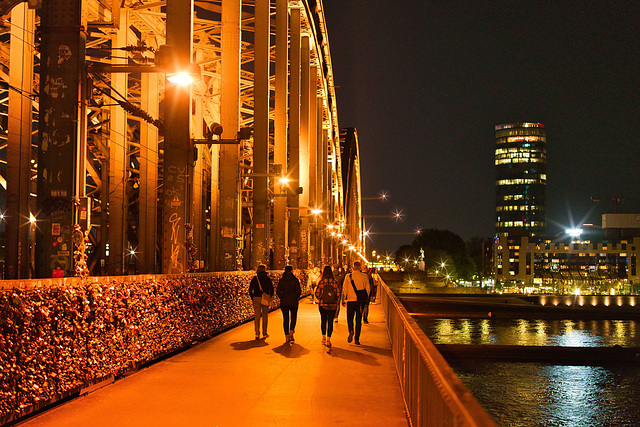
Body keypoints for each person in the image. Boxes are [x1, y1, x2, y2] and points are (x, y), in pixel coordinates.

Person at [341, 261, 370, 345]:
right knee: (358, 320)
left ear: (353, 267)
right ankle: (357, 339)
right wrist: (365, 299)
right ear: (360, 267)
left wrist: (343, 299)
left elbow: (344, 289)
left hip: (350, 301)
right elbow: (368, 289)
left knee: (349, 318)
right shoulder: (364, 276)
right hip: (359, 302)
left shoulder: (348, 276)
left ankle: (351, 330)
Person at [315, 265, 341, 348]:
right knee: (330, 322)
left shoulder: (321, 282)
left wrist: (321, 298)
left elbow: (317, 293)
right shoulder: (335, 282)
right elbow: (338, 294)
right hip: (332, 305)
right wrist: (333, 299)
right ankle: (328, 339)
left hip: (323, 305)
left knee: (323, 320)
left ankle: (323, 337)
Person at [276, 265, 302, 344]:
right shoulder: (295, 280)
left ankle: (286, 336)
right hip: (293, 301)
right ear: (291, 271)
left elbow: (278, 291)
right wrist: (295, 297)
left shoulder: (282, 280)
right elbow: (298, 291)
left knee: (286, 318)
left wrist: (282, 297)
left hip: (284, 301)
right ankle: (291, 332)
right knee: (293, 316)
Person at [248, 264, 274, 339]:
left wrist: (253, 297)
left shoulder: (255, 278)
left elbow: (250, 289)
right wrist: (269, 295)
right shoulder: (267, 278)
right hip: (264, 298)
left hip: (256, 298)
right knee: (265, 316)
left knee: (257, 316)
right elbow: (271, 289)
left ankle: (257, 333)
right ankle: (264, 333)